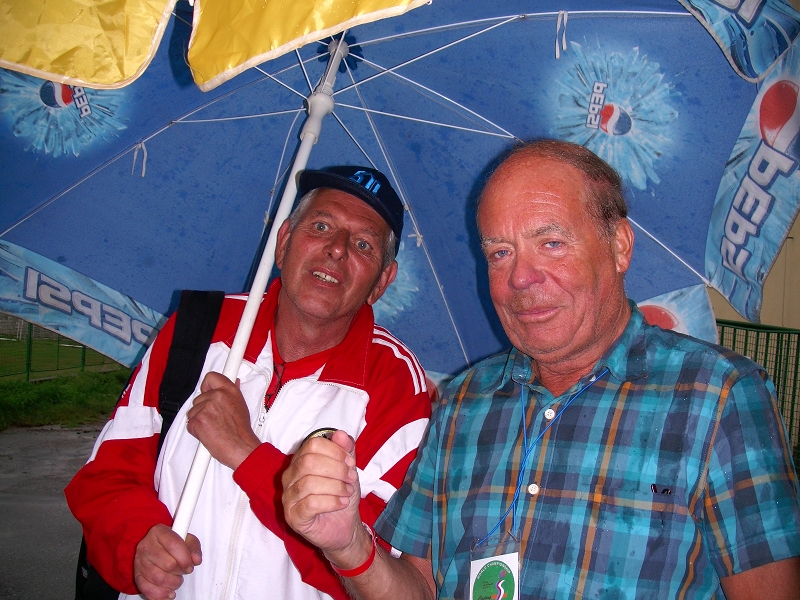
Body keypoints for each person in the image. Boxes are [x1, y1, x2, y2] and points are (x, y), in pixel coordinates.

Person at [282, 140, 800, 599]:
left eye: (551, 243)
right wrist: (348, 545)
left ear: (619, 246)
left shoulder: (719, 398)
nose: (521, 277)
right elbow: (418, 589)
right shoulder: (462, 403)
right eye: (500, 252)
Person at [65, 165, 432, 600]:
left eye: (363, 244)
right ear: (284, 241)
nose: (337, 248)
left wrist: (247, 454)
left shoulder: (398, 387)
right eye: (320, 226)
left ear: (381, 282)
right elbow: (107, 475)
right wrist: (138, 541)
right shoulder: (197, 330)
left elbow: (376, 567)